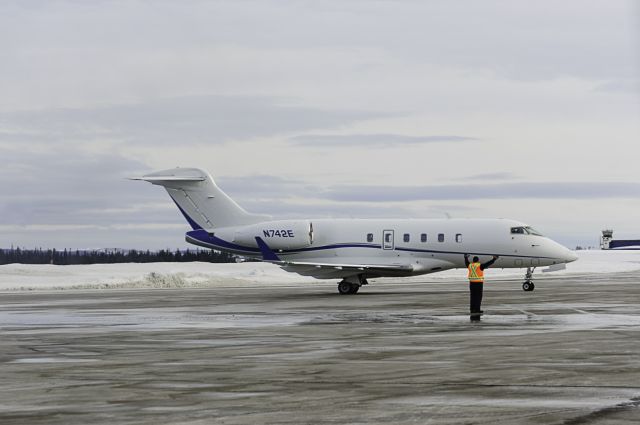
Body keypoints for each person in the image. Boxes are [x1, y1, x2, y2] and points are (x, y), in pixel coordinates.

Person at [464, 254, 499, 321]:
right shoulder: (479, 266)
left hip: (471, 283)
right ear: (478, 261)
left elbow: (466, 262)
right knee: (478, 297)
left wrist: (465, 257)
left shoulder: (470, 265)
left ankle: (472, 309)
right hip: (478, 283)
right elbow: (488, 264)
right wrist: (494, 259)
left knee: (472, 296)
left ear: (473, 261)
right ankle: (477, 309)